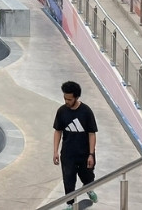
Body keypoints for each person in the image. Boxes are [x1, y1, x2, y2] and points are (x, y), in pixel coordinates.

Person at [52, 81, 98, 210]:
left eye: (69, 99)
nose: (67, 101)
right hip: (68, 154)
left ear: (76, 97)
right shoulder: (61, 111)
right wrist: (55, 151)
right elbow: (58, 131)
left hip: (84, 153)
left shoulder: (86, 112)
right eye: (65, 98)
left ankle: (88, 188)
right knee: (68, 179)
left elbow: (91, 134)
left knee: (88, 176)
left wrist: (91, 154)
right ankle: (70, 204)